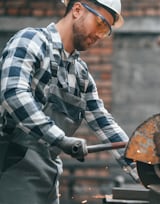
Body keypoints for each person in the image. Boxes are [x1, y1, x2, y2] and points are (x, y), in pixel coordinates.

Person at [0, 0, 138, 203]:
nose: (100, 35)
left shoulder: (80, 75)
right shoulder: (32, 41)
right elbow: (12, 94)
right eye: (99, 23)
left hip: (47, 179)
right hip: (10, 169)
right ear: (77, 9)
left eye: (106, 30)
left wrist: (144, 169)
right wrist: (60, 139)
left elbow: (104, 124)